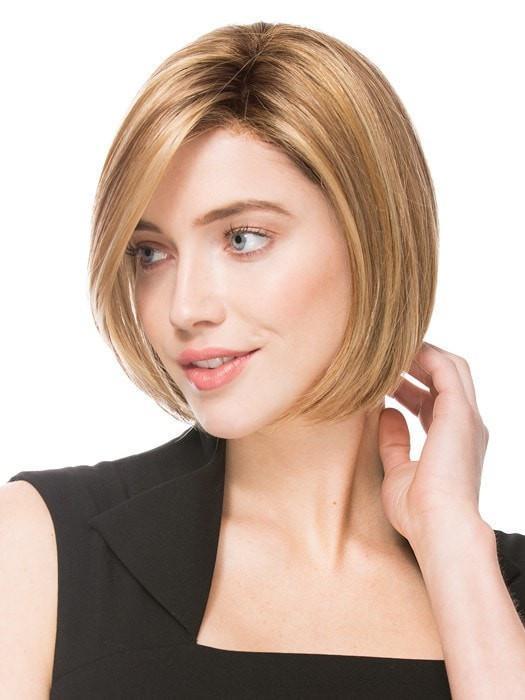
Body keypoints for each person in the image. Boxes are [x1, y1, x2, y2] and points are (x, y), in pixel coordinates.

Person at [1, 20, 524, 699]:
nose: (184, 306)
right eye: (150, 253)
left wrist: (454, 543)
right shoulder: (42, 546)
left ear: (373, 236)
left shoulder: (495, 590)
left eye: (242, 239)